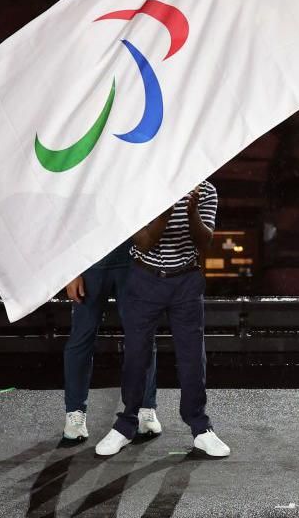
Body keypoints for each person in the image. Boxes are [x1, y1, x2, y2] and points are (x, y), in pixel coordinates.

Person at [94, 181, 231, 458]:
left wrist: (191, 211)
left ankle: (200, 428)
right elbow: (144, 242)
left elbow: (204, 242)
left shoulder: (207, 190)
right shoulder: (137, 186)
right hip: (144, 279)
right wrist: (167, 206)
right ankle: (126, 425)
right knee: (136, 355)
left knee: (193, 357)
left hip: (186, 280)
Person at [61, 240, 161, 441]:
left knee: (141, 336)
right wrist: (70, 271)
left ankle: (145, 406)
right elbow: (69, 218)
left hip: (134, 261)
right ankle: (75, 412)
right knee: (81, 338)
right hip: (90, 262)